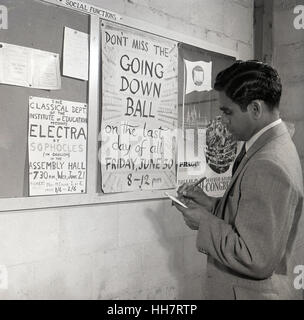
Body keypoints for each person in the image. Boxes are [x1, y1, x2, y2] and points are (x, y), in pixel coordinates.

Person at [174, 60, 304, 300]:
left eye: (227, 112)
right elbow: (250, 217)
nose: (223, 121)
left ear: (255, 109)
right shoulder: (270, 146)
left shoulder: (268, 163)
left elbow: (255, 257)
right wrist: (210, 204)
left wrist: (204, 222)